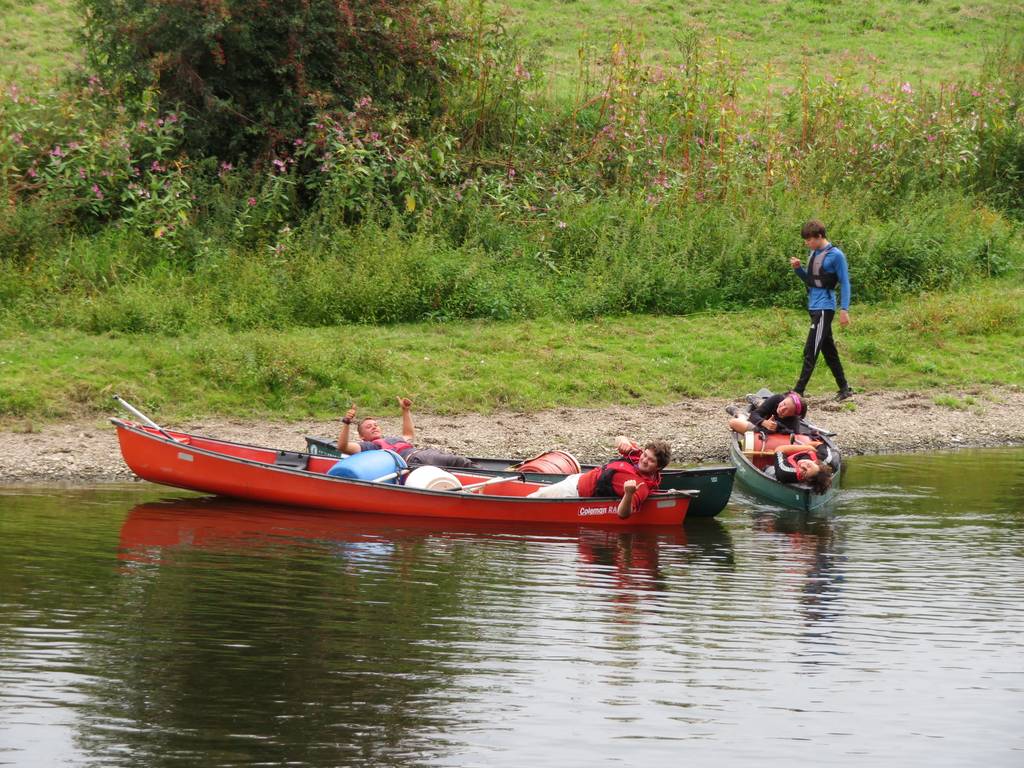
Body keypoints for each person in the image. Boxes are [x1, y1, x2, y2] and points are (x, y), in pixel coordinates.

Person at [527, 436, 672, 519]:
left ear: (658, 468)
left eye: (651, 460)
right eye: (645, 455)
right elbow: (618, 439)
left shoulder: (641, 487)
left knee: (532, 501)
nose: (644, 460)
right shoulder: (636, 455)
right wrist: (623, 441)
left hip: (574, 492)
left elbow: (623, 514)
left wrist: (628, 493)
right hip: (577, 479)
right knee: (538, 494)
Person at [790, 219, 854, 401]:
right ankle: (844, 388)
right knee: (828, 350)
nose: (807, 243)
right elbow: (811, 280)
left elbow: (845, 283)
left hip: (825, 308)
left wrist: (844, 309)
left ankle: (798, 391)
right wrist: (798, 270)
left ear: (819, 237)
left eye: (809, 239)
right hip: (814, 306)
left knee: (811, 349)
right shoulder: (814, 253)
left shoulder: (836, 255)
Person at [338, 397, 479, 469]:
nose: (374, 427)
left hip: (426, 454)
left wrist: (405, 411)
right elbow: (343, 447)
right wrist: (346, 422)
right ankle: (497, 480)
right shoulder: (370, 446)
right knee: (459, 461)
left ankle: (493, 478)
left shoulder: (392, 439)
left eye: (376, 425)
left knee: (459, 462)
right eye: (369, 427)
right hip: (415, 461)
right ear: (362, 436)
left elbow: (409, 435)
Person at [728, 391, 807, 436]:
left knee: (734, 422)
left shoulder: (794, 422)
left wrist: (777, 427)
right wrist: (764, 423)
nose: (782, 409)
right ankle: (756, 402)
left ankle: (740, 413)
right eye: (783, 404)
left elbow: (794, 434)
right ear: (784, 399)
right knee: (764, 406)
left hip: (763, 432)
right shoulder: (778, 398)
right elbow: (754, 414)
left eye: (787, 410)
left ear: (793, 414)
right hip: (763, 421)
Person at [769, 444, 834, 494]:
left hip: (775, 470)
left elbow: (779, 449)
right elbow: (818, 444)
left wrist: (807, 448)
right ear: (815, 462)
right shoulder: (823, 455)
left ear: (805, 480)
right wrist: (805, 446)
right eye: (808, 465)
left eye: (804, 472)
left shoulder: (785, 472)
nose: (802, 465)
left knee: (770, 470)